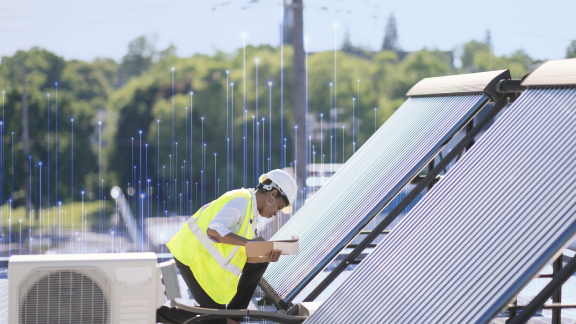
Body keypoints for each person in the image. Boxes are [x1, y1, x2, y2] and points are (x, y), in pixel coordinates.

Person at [157, 169, 298, 324]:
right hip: (192, 258)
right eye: (278, 207)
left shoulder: (251, 214)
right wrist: (249, 242)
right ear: (272, 195)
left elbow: (244, 252)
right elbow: (214, 230)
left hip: (202, 263)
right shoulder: (242, 200)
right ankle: (157, 314)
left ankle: (233, 317)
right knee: (214, 321)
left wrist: (265, 256)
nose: (276, 213)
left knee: (260, 262)